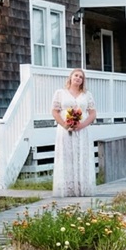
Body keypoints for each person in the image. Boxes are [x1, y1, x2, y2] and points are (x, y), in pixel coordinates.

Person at [51, 68, 97, 197]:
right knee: (66, 157)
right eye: (76, 75)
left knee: (82, 156)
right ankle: (67, 189)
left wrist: (81, 125)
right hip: (65, 130)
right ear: (71, 77)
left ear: (83, 81)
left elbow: (92, 113)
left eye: (81, 77)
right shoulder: (60, 93)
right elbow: (55, 111)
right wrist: (65, 125)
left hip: (82, 131)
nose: (78, 78)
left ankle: (82, 188)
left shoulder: (87, 95)